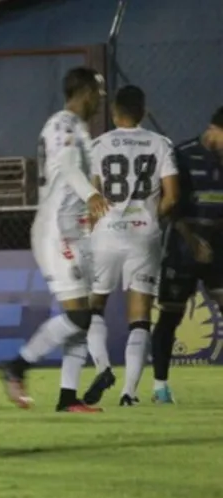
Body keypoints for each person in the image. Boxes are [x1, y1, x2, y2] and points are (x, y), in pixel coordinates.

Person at [0, 67, 111, 413]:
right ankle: (16, 366)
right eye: (97, 94)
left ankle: (67, 397)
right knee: (78, 317)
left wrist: (91, 207)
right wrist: (92, 195)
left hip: (75, 229)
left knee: (84, 316)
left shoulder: (79, 129)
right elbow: (64, 165)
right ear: (87, 92)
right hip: (56, 230)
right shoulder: (62, 124)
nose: (99, 102)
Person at [81, 86, 178, 406]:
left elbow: (92, 197)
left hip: (106, 232)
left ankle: (103, 368)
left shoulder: (99, 145)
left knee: (94, 306)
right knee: (140, 317)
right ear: (144, 110)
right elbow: (172, 196)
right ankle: (129, 393)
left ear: (113, 112)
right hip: (143, 234)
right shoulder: (160, 144)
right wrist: (151, 216)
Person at [149, 106, 223, 404]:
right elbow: (171, 206)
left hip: (218, 249)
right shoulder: (182, 155)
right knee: (170, 315)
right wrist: (193, 242)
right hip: (182, 248)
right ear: (214, 129)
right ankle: (160, 387)